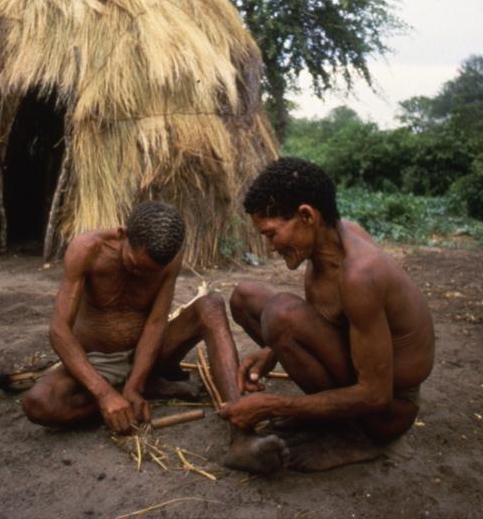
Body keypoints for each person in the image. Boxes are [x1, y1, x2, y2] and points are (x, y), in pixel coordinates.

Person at [22, 201, 286, 474]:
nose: (139, 275)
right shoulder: (87, 249)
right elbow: (59, 330)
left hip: (149, 355)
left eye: (149, 273)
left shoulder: (169, 258)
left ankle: (242, 436)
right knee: (40, 404)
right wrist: (104, 394)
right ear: (123, 234)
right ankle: (126, 397)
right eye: (133, 265)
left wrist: (135, 383)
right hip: (96, 361)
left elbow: (156, 322)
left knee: (211, 305)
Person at [220, 158, 435, 472]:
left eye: (271, 235)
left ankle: (354, 437)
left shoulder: (359, 274)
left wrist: (277, 406)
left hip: (388, 411)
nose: (269, 248)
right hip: (362, 370)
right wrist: (272, 351)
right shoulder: (333, 237)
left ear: (306, 215)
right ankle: (332, 420)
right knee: (245, 297)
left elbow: (376, 394)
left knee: (281, 314)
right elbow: (335, 320)